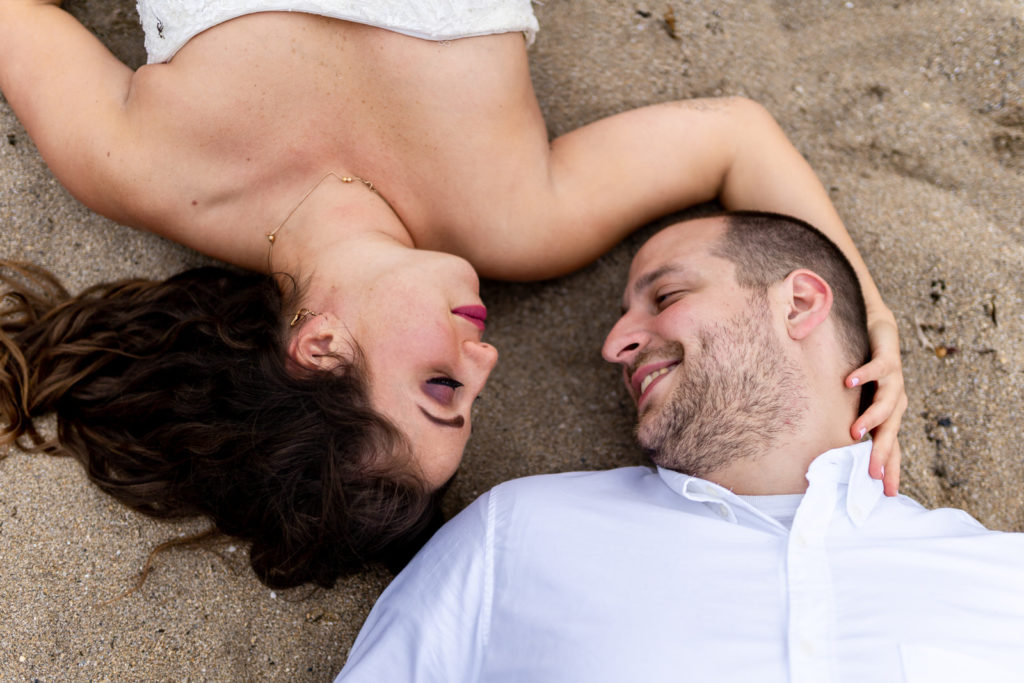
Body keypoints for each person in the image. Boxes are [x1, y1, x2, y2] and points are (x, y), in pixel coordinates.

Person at [0, 1, 904, 587]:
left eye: (441, 388)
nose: (486, 358)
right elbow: (734, 138)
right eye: (473, 399)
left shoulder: (145, 169)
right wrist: (865, 325)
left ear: (317, 349)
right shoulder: (515, 216)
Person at [335, 212, 1024, 682]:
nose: (615, 345)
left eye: (664, 295)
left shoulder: (1004, 581)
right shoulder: (521, 534)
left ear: (799, 304)